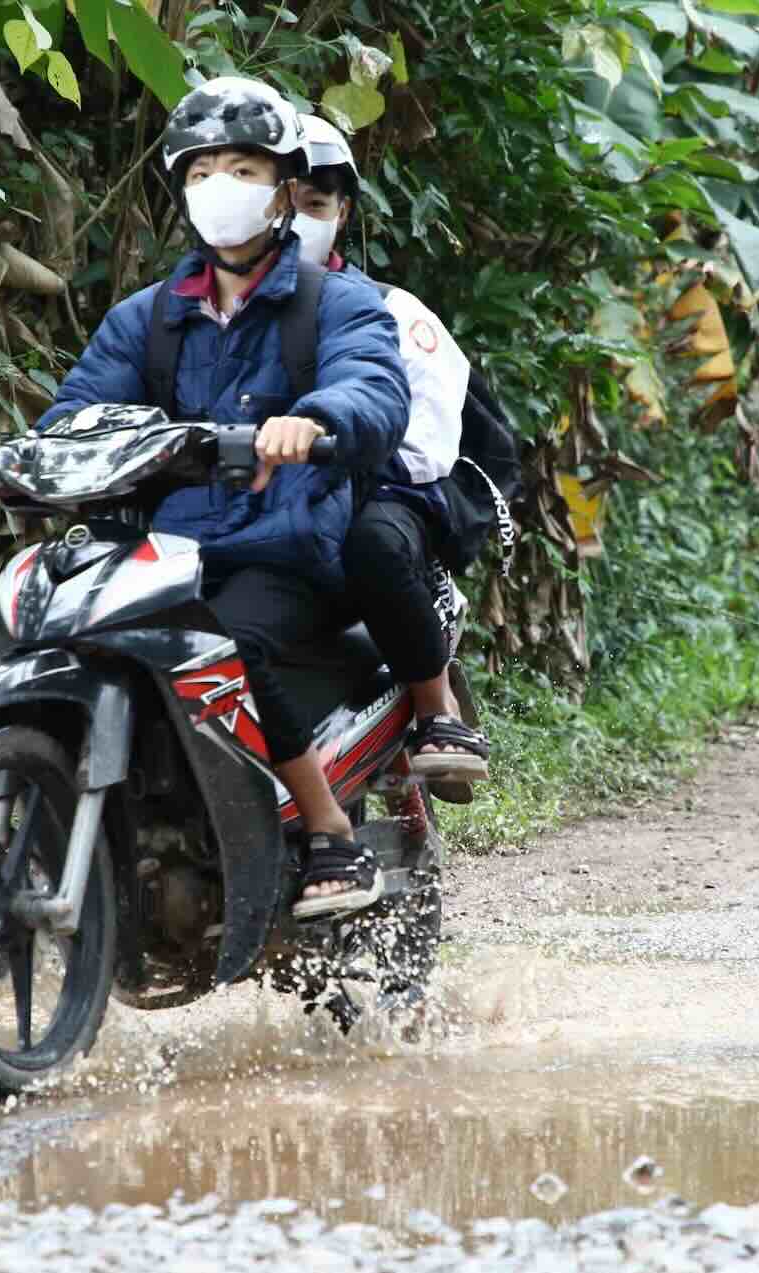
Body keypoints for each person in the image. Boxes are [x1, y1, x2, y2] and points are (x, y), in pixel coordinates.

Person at [0, 78, 411, 915]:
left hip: (285, 544)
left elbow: (374, 391)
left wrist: (310, 422)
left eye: (240, 169)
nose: (219, 190)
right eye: (200, 173)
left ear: (283, 189)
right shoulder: (147, 318)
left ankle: (329, 836)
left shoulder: (339, 305)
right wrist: (18, 458)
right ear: (179, 192)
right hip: (162, 555)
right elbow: (80, 413)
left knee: (230, 643)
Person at [292, 113, 492, 798]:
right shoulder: (206, 309)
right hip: (255, 496)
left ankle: (439, 712)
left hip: (386, 495)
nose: (295, 222)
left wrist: (328, 454)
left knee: (373, 542)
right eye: (281, 203)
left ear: (341, 213)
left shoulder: (393, 311)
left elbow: (427, 445)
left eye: (315, 206)